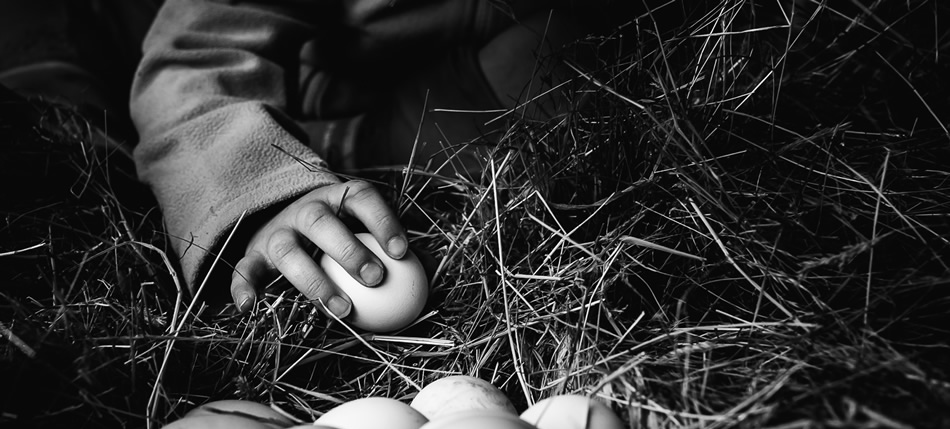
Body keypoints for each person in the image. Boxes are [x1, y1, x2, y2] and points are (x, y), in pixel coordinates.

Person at [1, 0, 600, 316]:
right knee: (59, 121)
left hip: (347, 119)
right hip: (178, 62)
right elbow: (193, 59)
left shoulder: (609, 40)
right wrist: (264, 192)